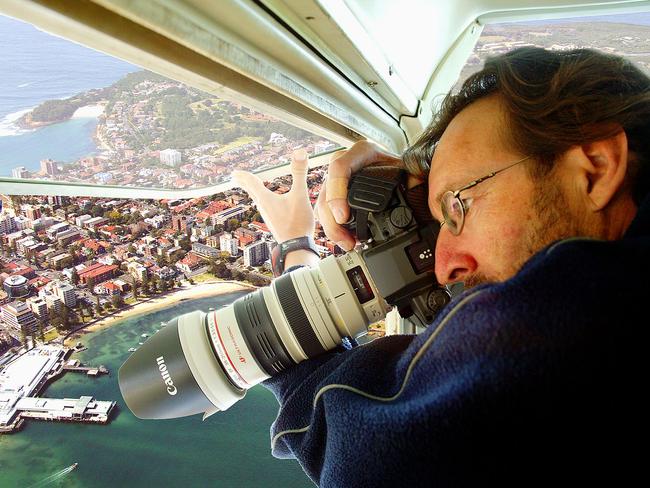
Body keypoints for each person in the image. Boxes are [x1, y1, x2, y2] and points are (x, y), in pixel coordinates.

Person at [231, 46, 650, 487]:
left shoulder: (597, 320)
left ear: (597, 168)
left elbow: (378, 461)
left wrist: (297, 257)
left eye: (457, 206)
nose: (442, 267)